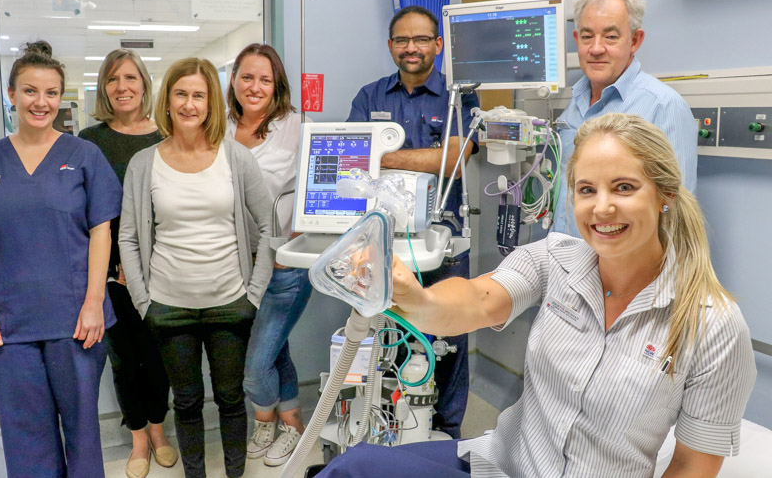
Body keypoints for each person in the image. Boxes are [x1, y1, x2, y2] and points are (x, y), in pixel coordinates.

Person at [316, 113, 756, 478]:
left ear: (664, 196)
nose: (602, 207)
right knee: (344, 469)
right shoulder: (556, 259)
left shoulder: (712, 325)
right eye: (587, 190)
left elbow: (692, 465)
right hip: (500, 463)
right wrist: (417, 299)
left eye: (624, 187)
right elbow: (478, 299)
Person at [0, 41, 122, 477]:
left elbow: (101, 233)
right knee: (24, 435)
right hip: (7, 323)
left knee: (81, 432)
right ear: (11, 93)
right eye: (30, 91)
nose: (41, 102)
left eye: (51, 93)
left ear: (62, 96)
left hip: (73, 318)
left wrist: (94, 302)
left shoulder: (83, 156)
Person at [119, 57, 274, 478]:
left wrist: (253, 295)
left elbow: (269, 227)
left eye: (199, 95)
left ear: (211, 104)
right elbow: (129, 237)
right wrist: (143, 301)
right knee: (185, 402)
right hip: (168, 307)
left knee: (229, 398)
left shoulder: (235, 158)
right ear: (167, 100)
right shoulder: (144, 163)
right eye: (181, 94)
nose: (190, 104)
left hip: (230, 302)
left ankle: (236, 473)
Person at [347, 4, 481, 439]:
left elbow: (458, 158)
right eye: (402, 40)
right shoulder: (370, 97)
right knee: (389, 331)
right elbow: (353, 162)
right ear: (390, 46)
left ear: (438, 45)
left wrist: (386, 158)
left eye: (421, 39)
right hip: (381, 241)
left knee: (450, 337)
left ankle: (447, 430)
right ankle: (389, 423)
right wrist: (429, 159)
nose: (411, 48)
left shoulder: (460, 97)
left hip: (445, 240)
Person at [79, 48, 176, 478]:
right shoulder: (89, 141)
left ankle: (159, 429)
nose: (123, 87)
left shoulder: (166, 136)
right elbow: (84, 210)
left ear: (144, 85)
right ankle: (137, 435)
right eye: (114, 79)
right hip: (111, 272)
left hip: (163, 269)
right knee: (124, 358)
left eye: (131, 78)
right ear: (104, 87)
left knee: (160, 357)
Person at [225, 43, 313, 466]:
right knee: (276, 350)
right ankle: (290, 425)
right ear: (234, 80)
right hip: (235, 266)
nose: (255, 87)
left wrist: (289, 247)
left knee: (255, 366)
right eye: (247, 77)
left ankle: (266, 420)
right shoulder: (217, 126)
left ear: (276, 84)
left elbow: (316, 193)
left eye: (264, 79)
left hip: (283, 265)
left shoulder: (296, 127)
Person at [552, 0, 697, 236]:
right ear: (577, 40)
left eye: (610, 37)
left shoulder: (663, 106)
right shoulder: (573, 105)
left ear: (634, 40)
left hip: (623, 269)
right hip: (564, 259)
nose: (596, 48)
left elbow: (674, 215)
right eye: (587, 36)